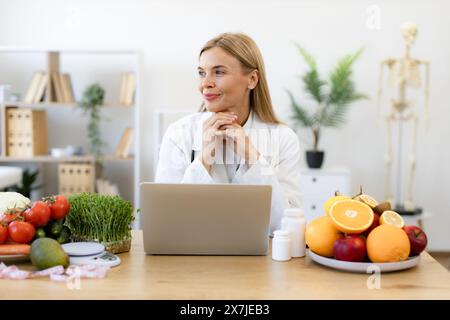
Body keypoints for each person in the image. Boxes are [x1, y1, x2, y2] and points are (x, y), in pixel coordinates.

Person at [155, 32, 302, 233]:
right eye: (201, 73)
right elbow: (167, 221)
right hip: (192, 259)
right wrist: (204, 158)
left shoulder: (284, 139)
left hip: (260, 262)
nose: (204, 84)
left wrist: (253, 157)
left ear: (251, 79)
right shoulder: (179, 134)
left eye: (219, 72)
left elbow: (287, 224)